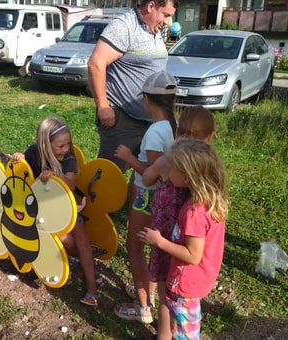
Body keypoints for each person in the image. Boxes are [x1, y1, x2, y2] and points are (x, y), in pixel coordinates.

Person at [138, 138, 228, 339]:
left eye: (171, 168)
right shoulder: (210, 202)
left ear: (187, 178)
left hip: (185, 282)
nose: (168, 171)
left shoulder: (193, 213)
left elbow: (193, 255)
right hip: (201, 277)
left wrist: (158, 241)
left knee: (184, 333)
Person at [112, 71, 178, 324]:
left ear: (148, 101)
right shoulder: (174, 126)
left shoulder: (154, 132)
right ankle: (149, 291)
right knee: (150, 247)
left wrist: (129, 159)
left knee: (135, 247)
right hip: (163, 200)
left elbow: (153, 175)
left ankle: (143, 307)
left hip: (146, 197)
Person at [12, 116, 99, 306]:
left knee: (81, 241)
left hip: (66, 206)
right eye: (60, 146)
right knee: (64, 240)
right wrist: (20, 159)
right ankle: (81, 258)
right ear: (44, 144)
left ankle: (92, 290)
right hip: (42, 211)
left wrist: (55, 176)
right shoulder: (34, 152)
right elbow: (23, 171)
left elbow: (70, 183)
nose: (66, 149)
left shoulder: (68, 157)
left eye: (68, 144)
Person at [87, 0, 177, 172]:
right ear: (151, 6)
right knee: (108, 174)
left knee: (142, 170)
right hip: (123, 118)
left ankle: (133, 200)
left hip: (150, 119)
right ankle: (89, 199)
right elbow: (95, 63)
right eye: (165, 15)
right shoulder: (124, 26)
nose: (167, 22)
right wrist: (103, 106)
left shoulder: (154, 30)